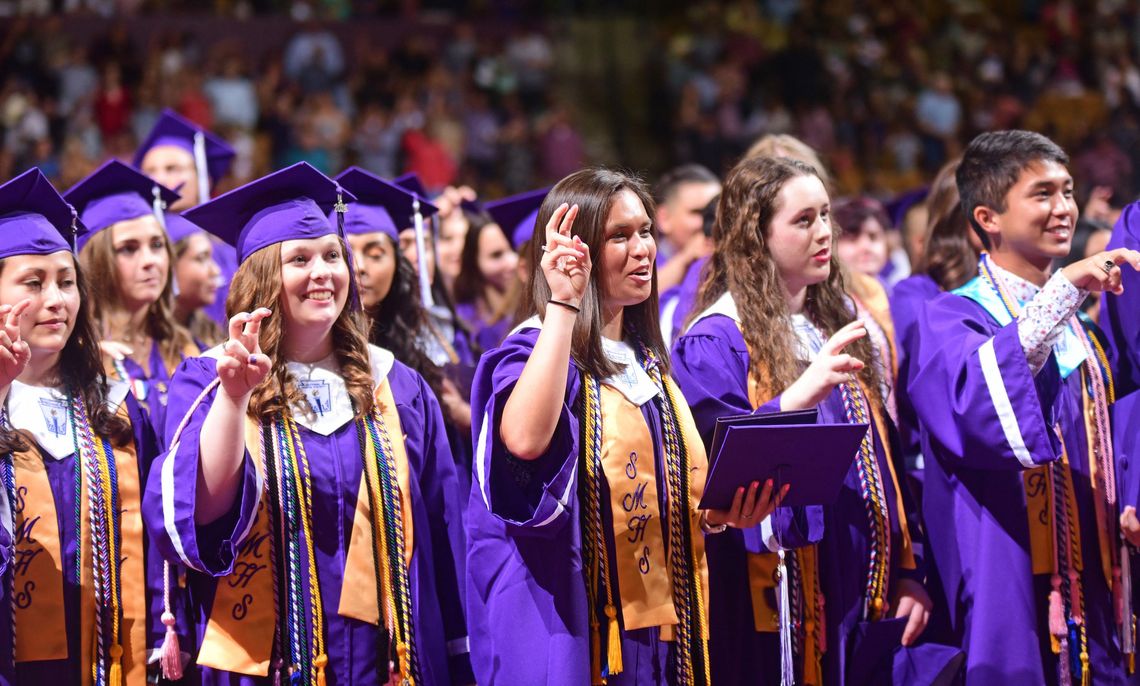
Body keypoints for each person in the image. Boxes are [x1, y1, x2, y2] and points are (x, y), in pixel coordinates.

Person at [142, 162, 471, 684]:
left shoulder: (398, 386)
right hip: (268, 662)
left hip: (388, 662)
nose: (324, 272)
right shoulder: (210, 379)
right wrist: (233, 398)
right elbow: (201, 514)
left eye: (332, 255)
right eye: (299, 258)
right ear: (263, 277)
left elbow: (443, 529)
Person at [466, 167, 779, 685]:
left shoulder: (647, 364)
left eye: (646, 231)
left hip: (661, 635)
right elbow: (523, 442)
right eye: (619, 236)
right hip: (574, 627)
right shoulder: (535, 349)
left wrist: (718, 513)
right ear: (578, 248)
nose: (643, 249)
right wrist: (563, 302)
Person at [674, 156, 957, 685]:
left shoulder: (833, 324)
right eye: (804, 220)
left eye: (826, 215)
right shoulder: (718, 340)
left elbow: (887, 460)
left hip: (864, 599)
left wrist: (908, 571)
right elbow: (715, 471)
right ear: (756, 235)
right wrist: (798, 397)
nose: (825, 232)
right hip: (777, 606)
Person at [908, 130, 1140, 684]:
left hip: (1100, 573)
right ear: (988, 217)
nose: (1063, 208)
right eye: (1042, 194)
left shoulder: (1087, 333)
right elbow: (976, 407)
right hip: (1009, 562)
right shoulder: (950, 318)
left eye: (1067, 190)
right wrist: (1063, 291)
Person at [0, 168, 193, 685]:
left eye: (66, 282)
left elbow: (154, 531)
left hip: (117, 660)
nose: (56, 301)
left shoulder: (113, 402)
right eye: (33, 284)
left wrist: (160, 631)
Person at [335, 165, 475, 494]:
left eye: (376, 253)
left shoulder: (419, 352)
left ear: (398, 265)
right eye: (346, 253)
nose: (362, 267)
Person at [64, 160, 198, 434]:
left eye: (157, 245)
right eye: (128, 249)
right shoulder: (72, 359)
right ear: (96, 261)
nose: (150, 261)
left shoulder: (190, 350)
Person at [133, 108, 238, 328]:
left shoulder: (232, 253)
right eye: (149, 171)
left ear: (205, 179)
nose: (159, 179)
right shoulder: (137, 251)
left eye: (172, 168)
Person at [452, 213, 519, 352]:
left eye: (515, 249)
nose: (513, 262)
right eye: (496, 255)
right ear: (474, 263)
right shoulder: (467, 322)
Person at [653, 164, 721, 293]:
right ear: (664, 218)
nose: (713, 221)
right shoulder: (642, 262)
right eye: (698, 212)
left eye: (718, 211)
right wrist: (686, 258)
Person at [165, 211, 223, 347]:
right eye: (201, 258)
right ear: (169, 266)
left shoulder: (208, 331)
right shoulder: (149, 346)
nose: (215, 271)